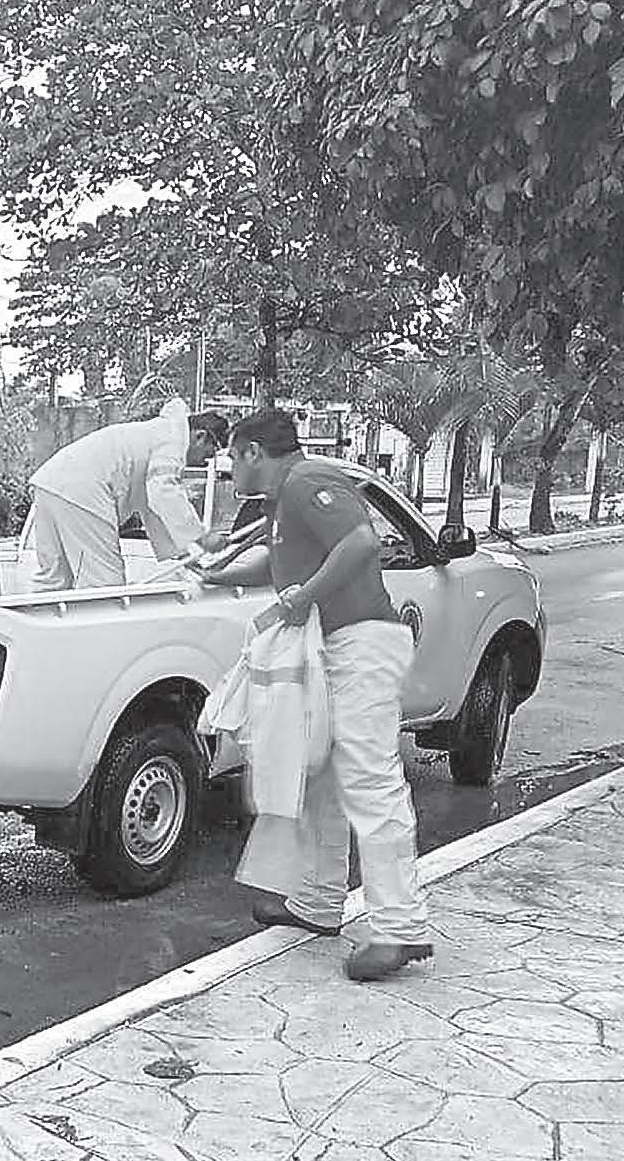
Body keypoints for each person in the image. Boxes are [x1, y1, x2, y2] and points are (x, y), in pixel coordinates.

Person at [200, 410, 433, 981]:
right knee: (321, 775)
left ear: (254, 452)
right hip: (329, 645)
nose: (230, 471)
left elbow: (361, 541)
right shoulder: (283, 502)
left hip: (360, 641)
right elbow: (281, 565)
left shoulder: (307, 481)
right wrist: (219, 575)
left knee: (370, 779)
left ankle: (400, 927)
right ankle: (319, 902)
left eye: (232, 458)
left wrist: (305, 596)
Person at [26, 401, 229, 590]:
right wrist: (202, 537)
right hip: (81, 493)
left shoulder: (156, 434)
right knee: (104, 587)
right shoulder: (172, 440)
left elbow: (152, 506)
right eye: (207, 455)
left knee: (54, 580)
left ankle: (31, 618)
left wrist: (185, 556)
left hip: (50, 484)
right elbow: (163, 492)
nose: (203, 462)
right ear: (200, 436)